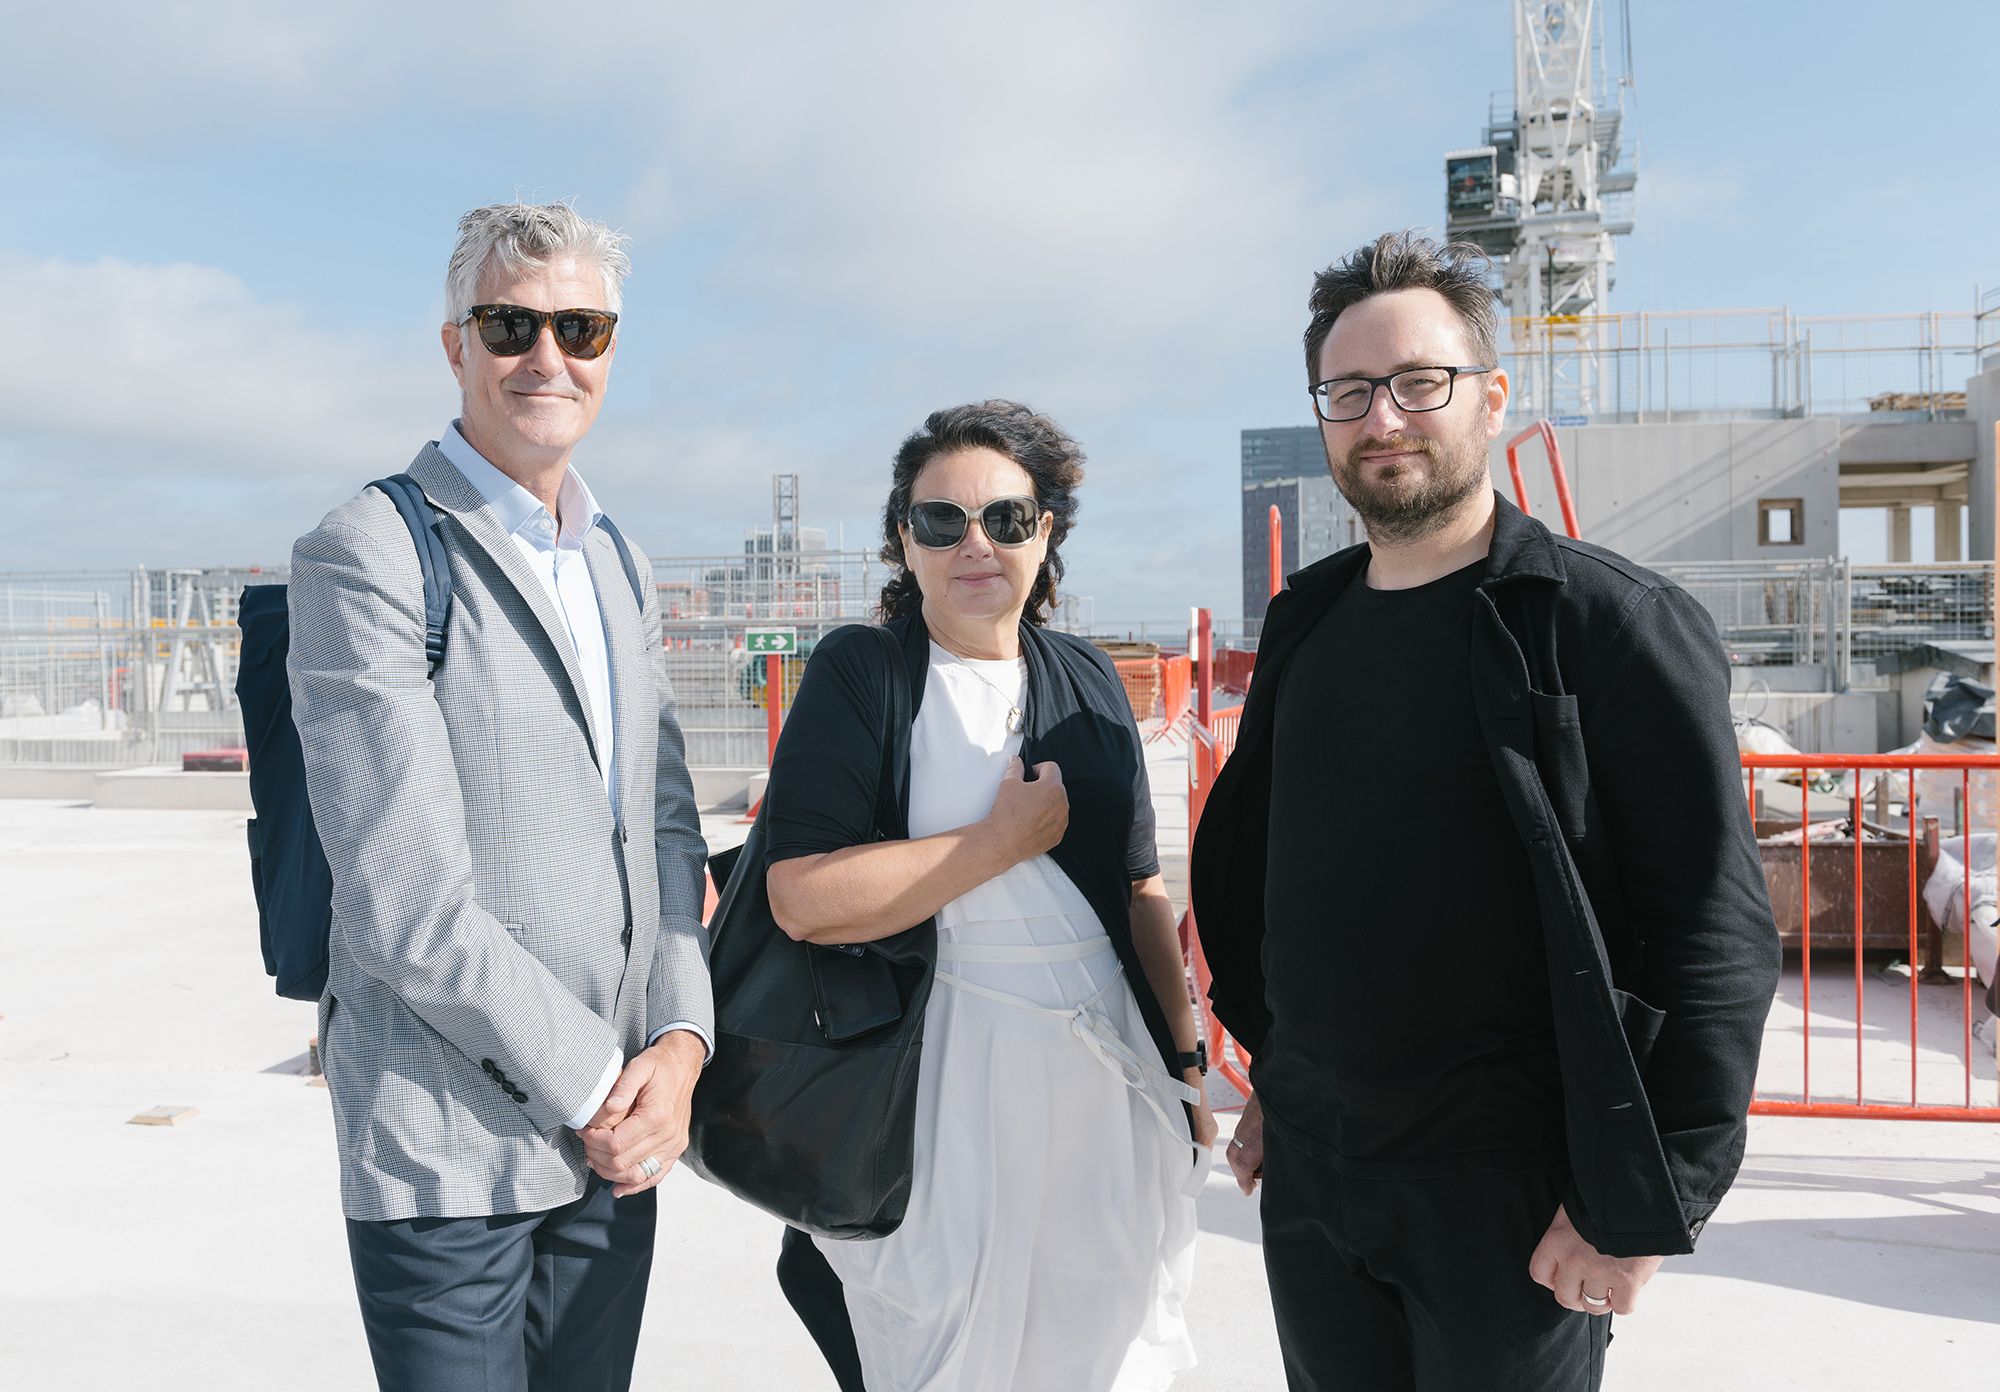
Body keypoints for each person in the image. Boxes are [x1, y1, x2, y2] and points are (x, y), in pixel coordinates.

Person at [1192, 231, 1781, 1392]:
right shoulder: (1305, 622)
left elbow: (1713, 938)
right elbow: (1288, 874)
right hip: (1315, 1176)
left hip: (1510, 1191)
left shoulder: (1604, 627)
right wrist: (1278, 1078)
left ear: (1491, 399)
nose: (1382, 419)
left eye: (1419, 383)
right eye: (1348, 392)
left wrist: (1638, 1201)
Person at [288, 201, 712, 1391]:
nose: (547, 356)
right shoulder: (366, 549)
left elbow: (664, 825)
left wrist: (676, 1050)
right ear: (454, 344)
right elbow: (404, 906)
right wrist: (597, 1086)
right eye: (509, 323)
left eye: (581, 328)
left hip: (614, 1146)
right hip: (449, 1151)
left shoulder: (615, 557)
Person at [760, 400, 1215, 1391]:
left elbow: (1139, 890)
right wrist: (996, 843)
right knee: (941, 1346)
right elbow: (799, 898)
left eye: (1006, 519)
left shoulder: (1088, 676)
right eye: (941, 521)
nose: (976, 543)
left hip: (1102, 1089)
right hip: (937, 1086)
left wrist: (1183, 1067)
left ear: (1044, 533)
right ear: (901, 539)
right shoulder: (865, 674)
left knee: (1105, 1346)